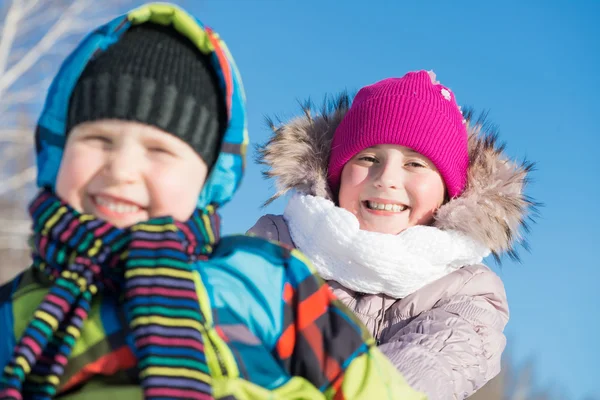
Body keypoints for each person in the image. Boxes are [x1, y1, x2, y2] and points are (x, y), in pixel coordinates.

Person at [0, 4, 424, 399]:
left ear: (207, 178)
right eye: (99, 140)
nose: (121, 169)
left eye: (159, 150)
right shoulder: (16, 314)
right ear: (57, 151)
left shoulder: (267, 281)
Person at [249, 70, 538, 399]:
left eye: (415, 164)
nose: (386, 178)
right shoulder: (273, 248)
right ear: (337, 174)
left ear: (448, 193)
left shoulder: (468, 294)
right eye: (368, 157)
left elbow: (428, 367)